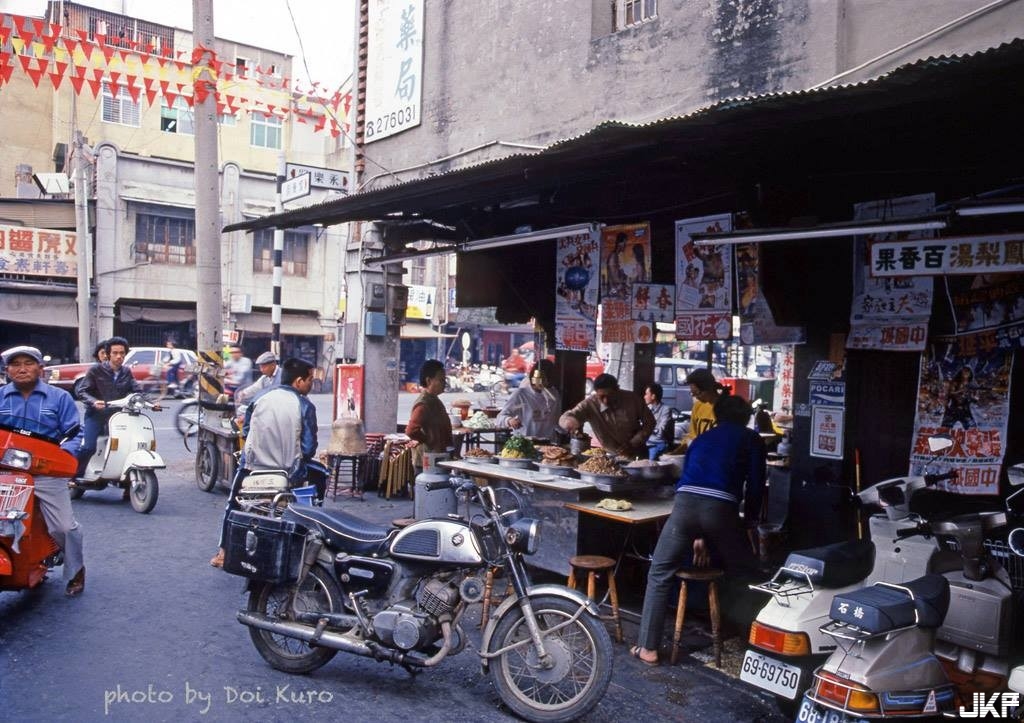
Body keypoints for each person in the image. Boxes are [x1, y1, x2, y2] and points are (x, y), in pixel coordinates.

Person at [631, 394, 766, 666]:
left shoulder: (701, 440)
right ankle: (754, 644)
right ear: (745, 418)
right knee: (746, 573)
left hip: (684, 507)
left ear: (717, 416)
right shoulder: (752, 439)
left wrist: (698, 535)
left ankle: (648, 647)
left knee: (659, 572)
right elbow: (756, 485)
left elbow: (688, 479)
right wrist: (750, 523)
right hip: (722, 510)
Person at [210, 358, 318, 568]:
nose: (311, 384)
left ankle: (223, 553)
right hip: (289, 474)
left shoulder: (260, 397)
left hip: (251, 469)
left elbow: (247, 430)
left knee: (232, 505)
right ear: (298, 381)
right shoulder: (305, 406)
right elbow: (308, 449)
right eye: (310, 380)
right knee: (306, 505)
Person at [0, 346, 86, 596]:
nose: (22, 368)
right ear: (7, 370)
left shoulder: (59, 398)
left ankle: (76, 570)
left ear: (40, 368)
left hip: (46, 471)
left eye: (29, 363)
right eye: (16, 364)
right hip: (4, 473)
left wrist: (64, 457)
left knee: (64, 528)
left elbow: (74, 433)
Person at [76, 337, 156, 483]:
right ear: (108, 354)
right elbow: (82, 391)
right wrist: (94, 402)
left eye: (122, 353)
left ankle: (126, 483)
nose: (119, 356)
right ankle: (75, 474)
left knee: (128, 446)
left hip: (119, 415)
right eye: (115, 353)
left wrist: (151, 403)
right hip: (96, 415)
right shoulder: (96, 370)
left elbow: (137, 391)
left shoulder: (126, 371)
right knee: (89, 447)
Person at [558, 373, 655, 458]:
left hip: (637, 453)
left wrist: (633, 443)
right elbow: (570, 415)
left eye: (609, 395)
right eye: (601, 397)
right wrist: (569, 422)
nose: (606, 400)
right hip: (610, 456)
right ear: (596, 393)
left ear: (617, 389)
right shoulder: (590, 404)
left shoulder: (632, 399)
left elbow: (650, 422)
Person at [405, 359, 453, 474]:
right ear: (429, 380)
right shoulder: (423, 403)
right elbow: (411, 430)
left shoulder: (434, 400)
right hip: (426, 462)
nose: (444, 383)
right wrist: (428, 439)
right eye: (441, 380)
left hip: (438, 458)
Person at [496, 359, 562, 439]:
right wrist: (509, 420)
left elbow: (556, 421)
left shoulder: (554, 394)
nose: (547, 386)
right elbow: (500, 417)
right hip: (525, 443)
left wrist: (567, 426)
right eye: (545, 382)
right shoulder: (521, 395)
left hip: (549, 444)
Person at [670, 367, 728, 453]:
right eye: (692, 393)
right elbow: (693, 436)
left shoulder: (726, 407)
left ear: (708, 389)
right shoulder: (698, 406)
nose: (695, 397)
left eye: (697, 393)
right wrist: (676, 452)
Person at [644, 382, 674, 460]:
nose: (644, 397)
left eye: (646, 394)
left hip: (657, 444)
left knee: (650, 467)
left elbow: (660, 433)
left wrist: (646, 431)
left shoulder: (665, 409)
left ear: (653, 396)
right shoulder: (648, 409)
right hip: (647, 443)